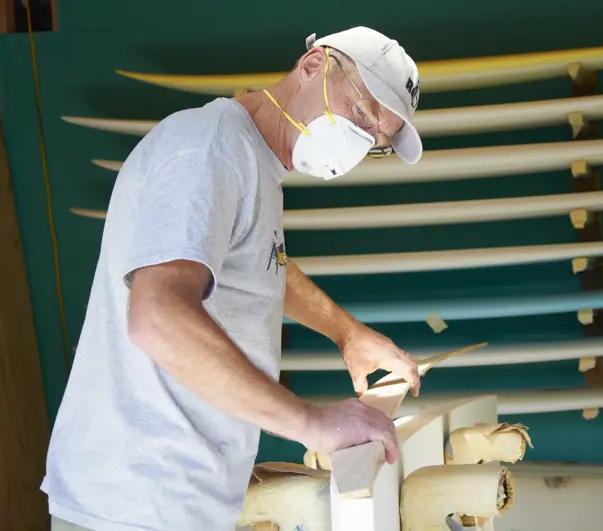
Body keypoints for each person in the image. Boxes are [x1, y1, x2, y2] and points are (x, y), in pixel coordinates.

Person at [41, 26, 424, 531]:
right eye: (361, 113)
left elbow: (261, 266)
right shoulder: (209, 148)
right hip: (132, 505)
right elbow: (157, 316)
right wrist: (311, 423)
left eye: (374, 139)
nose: (359, 141)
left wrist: (346, 333)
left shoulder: (251, 161)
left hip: (172, 503)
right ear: (313, 65)